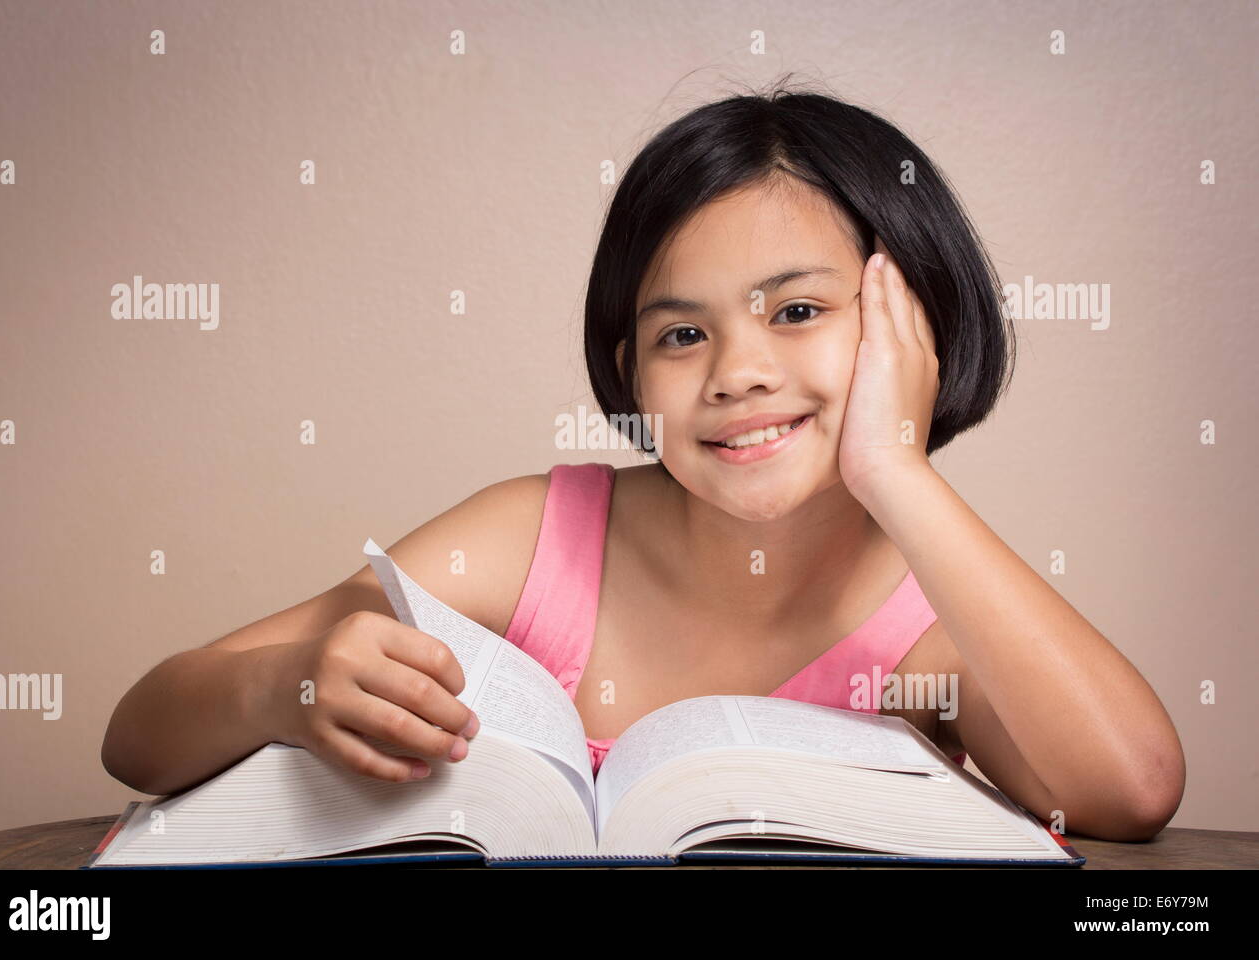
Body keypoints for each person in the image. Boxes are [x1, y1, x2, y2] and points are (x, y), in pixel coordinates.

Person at [102, 78, 1185, 842]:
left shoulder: (931, 628)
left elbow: (1131, 792)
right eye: (681, 334)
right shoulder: (529, 539)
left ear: (914, 325)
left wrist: (898, 471)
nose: (736, 372)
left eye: (797, 311)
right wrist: (289, 686)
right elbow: (140, 731)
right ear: (629, 372)